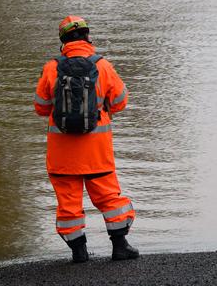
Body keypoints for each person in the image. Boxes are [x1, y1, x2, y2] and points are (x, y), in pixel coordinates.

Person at [33, 15, 139, 263]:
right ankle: (120, 247)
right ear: (87, 37)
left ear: (62, 41)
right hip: (96, 152)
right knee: (110, 198)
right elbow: (120, 101)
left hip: (62, 155)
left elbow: (40, 106)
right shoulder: (102, 66)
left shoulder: (51, 68)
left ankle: (79, 254)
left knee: (68, 204)